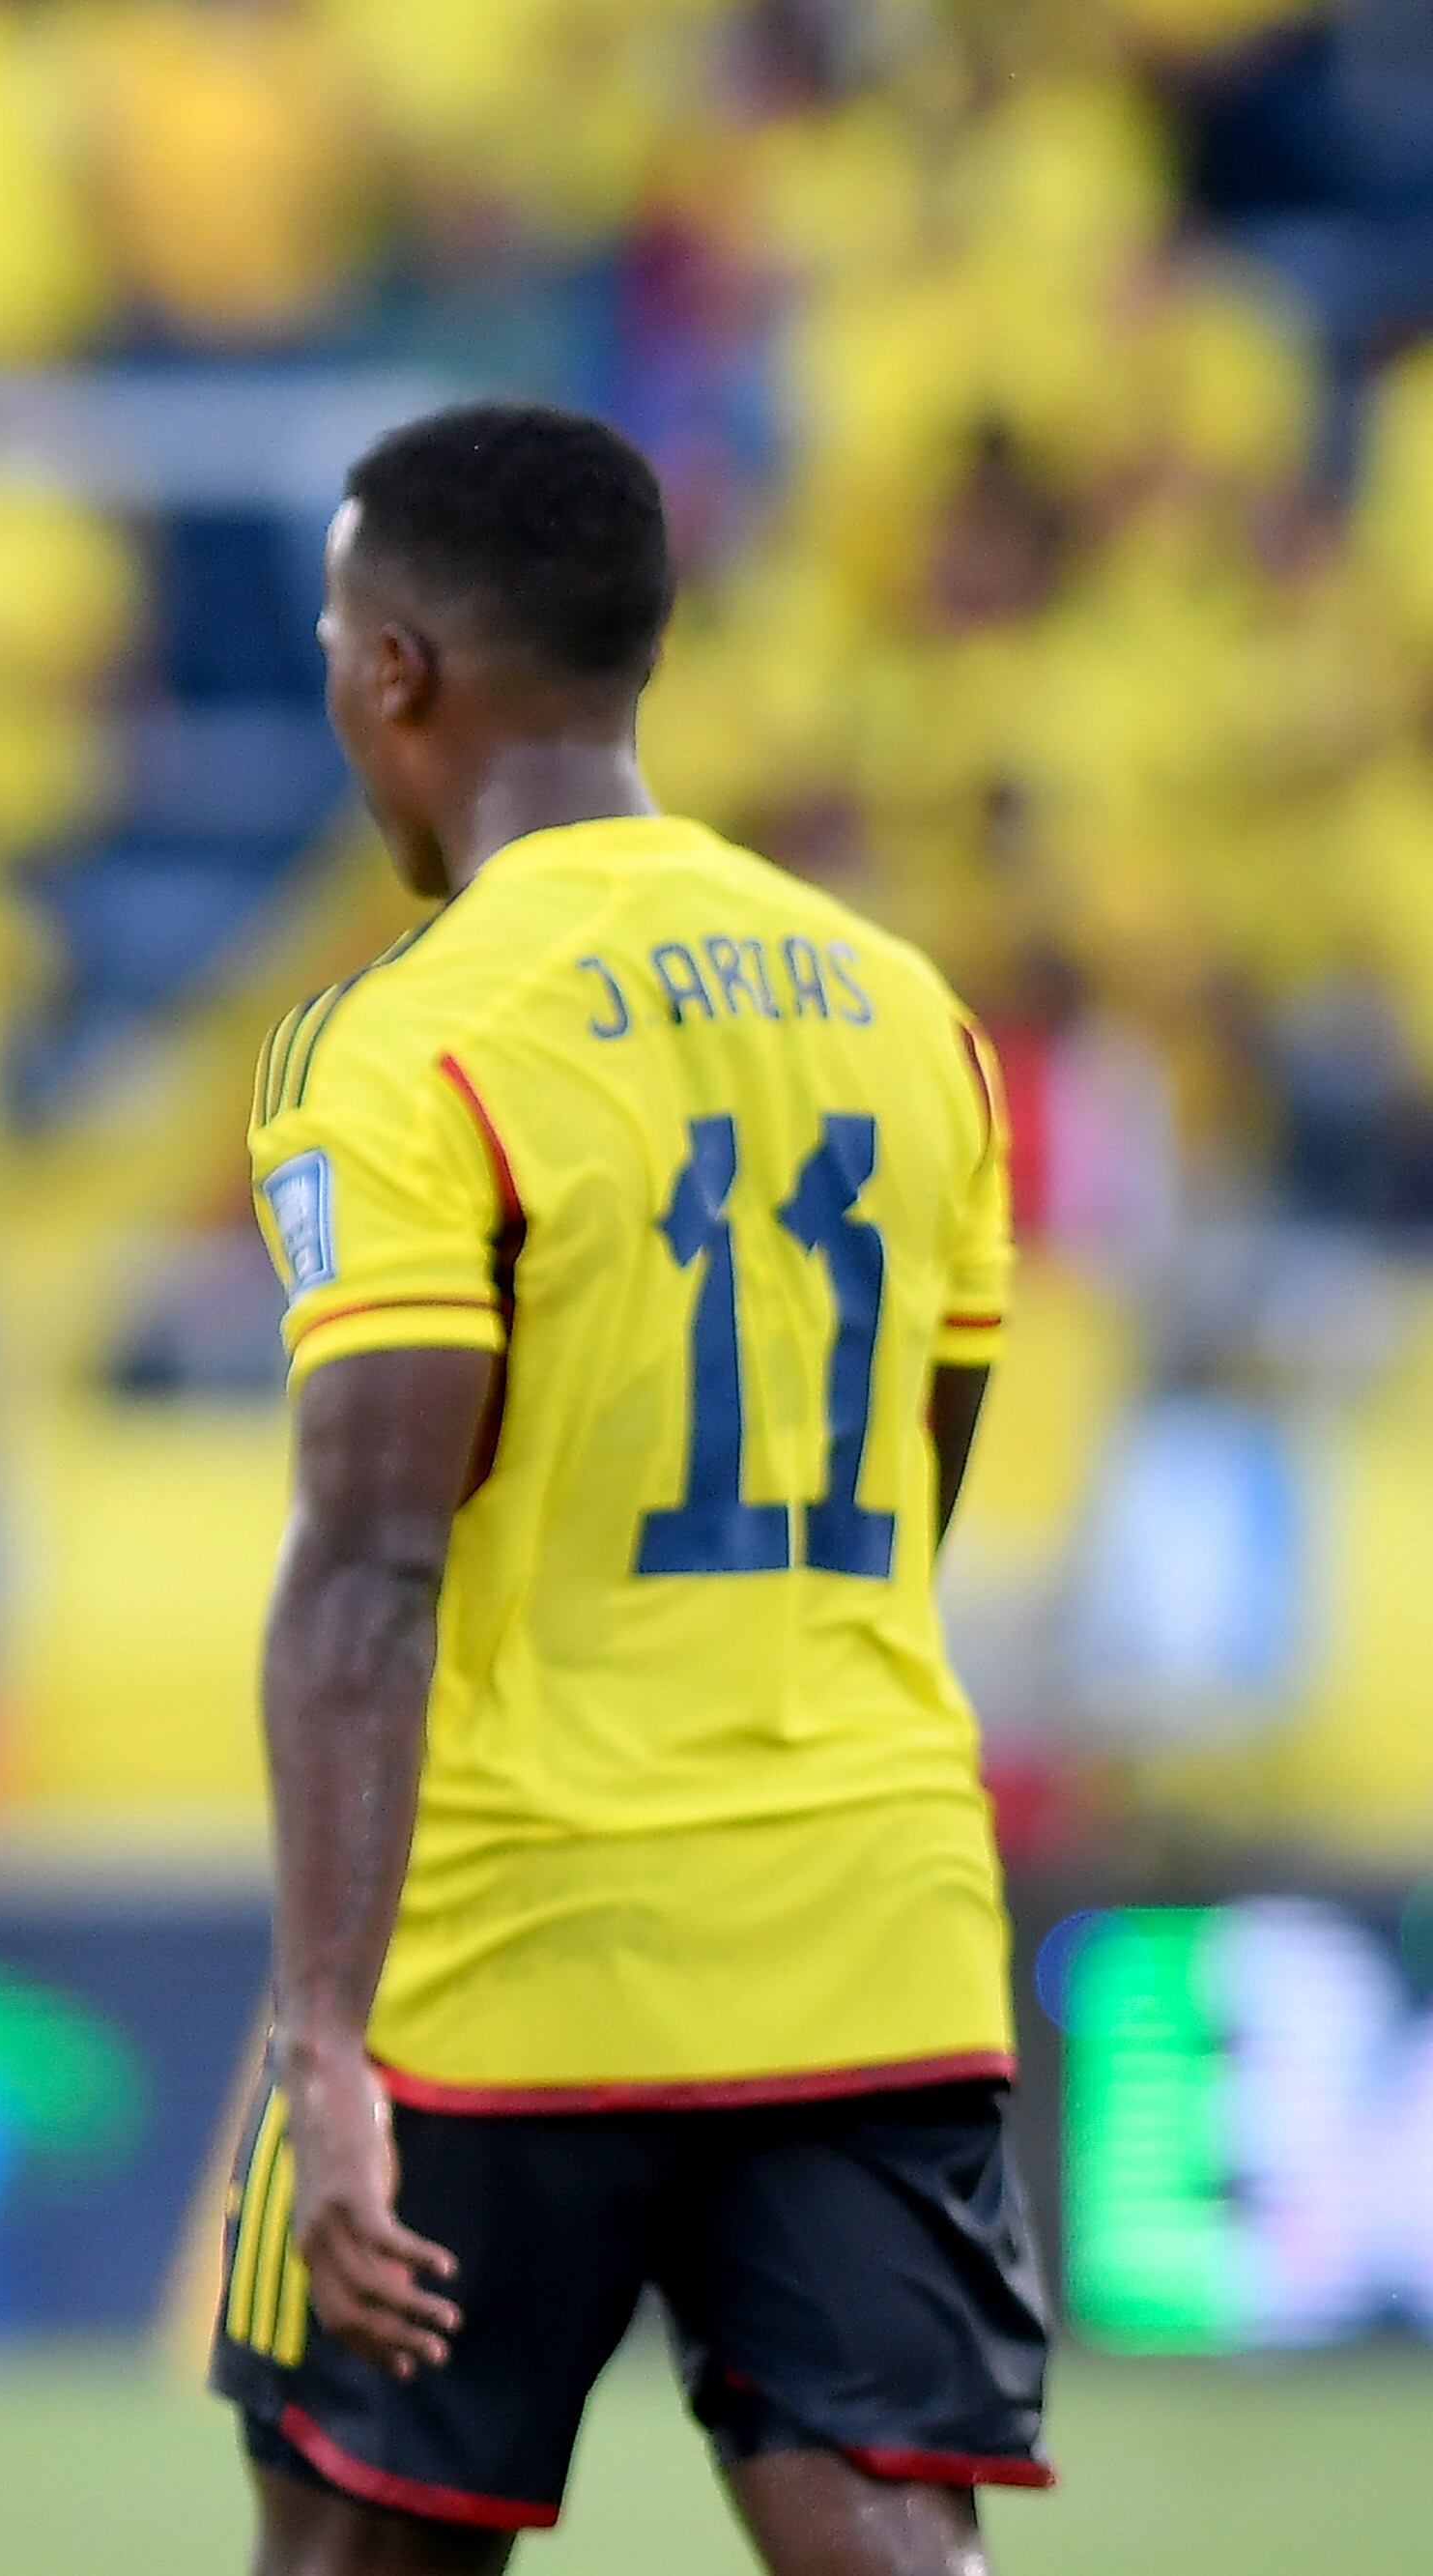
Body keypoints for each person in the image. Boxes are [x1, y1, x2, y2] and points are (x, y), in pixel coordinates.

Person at [215, 401, 1049, 2576]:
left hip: (502, 1949)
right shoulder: (911, 1019)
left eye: (329, 640)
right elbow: (904, 1496)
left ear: (391, 669)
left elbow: (366, 1569)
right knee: (881, 2523)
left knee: (354, 2545)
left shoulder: (402, 1042)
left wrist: (318, 2034)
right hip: (864, 1925)